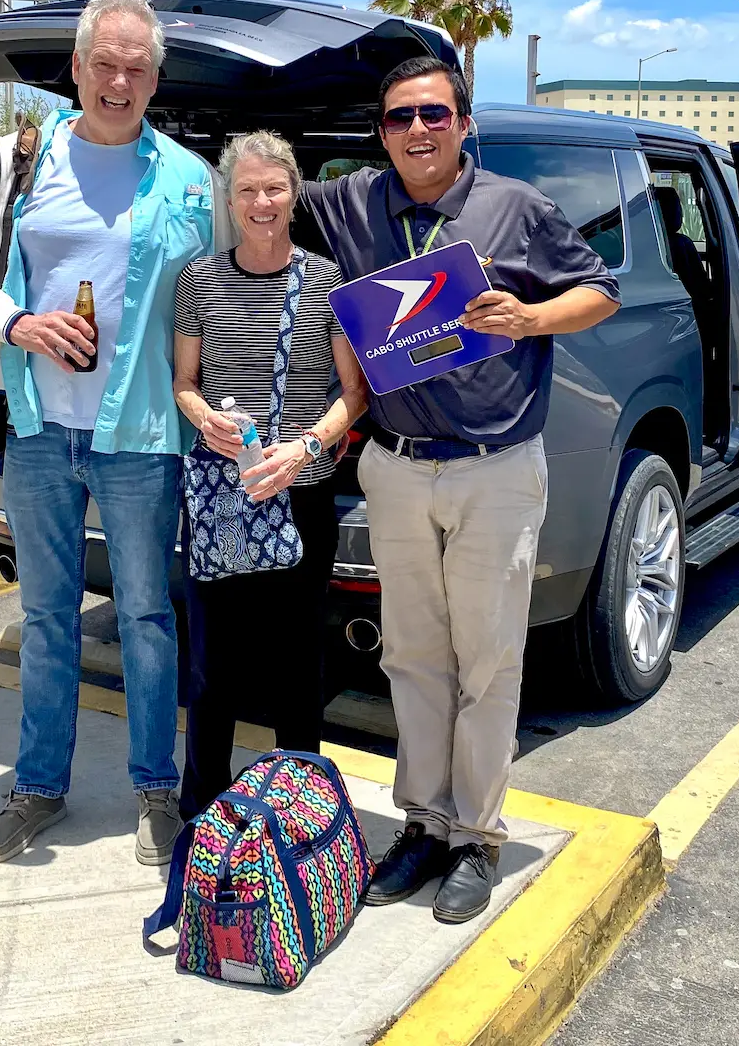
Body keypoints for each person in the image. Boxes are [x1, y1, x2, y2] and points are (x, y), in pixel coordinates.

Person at [300, 56, 619, 924]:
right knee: (410, 656)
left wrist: (531, 317)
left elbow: (601, 288)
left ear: (463, 123)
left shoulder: (515, 208)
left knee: (488, 661)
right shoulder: (354, 202)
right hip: (397, 468)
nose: (417, 130)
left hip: (495, 470)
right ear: (381, 132)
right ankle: (424, 825)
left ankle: (477, 838)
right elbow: (261, 191)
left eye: (433, 114)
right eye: (399, 117)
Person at [0, 0, 214, 867]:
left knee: (146, 617)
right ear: (78, 68)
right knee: (46, 616)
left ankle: (156, 792)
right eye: (105, 64)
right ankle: (37, 788)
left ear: (155, 79)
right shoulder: (19, 162)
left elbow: (225, 294)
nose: (119, 81)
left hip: (143, 436)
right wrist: (18, 323)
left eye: (137, 68)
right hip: (43, 429)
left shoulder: (191, 180)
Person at [171, 131, 370, 820]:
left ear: (295, 192)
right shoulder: (199, 279)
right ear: (230, 199)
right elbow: (184, 383)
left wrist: (304, 449)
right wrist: (204, 421)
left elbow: (355, 394)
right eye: (248, 190)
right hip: (220, 499)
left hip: (301, 497)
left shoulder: (325, 280)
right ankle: (203, 807)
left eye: (274, 188)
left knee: (296, 668)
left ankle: (300, 810)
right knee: (211, 666)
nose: (262, 202)